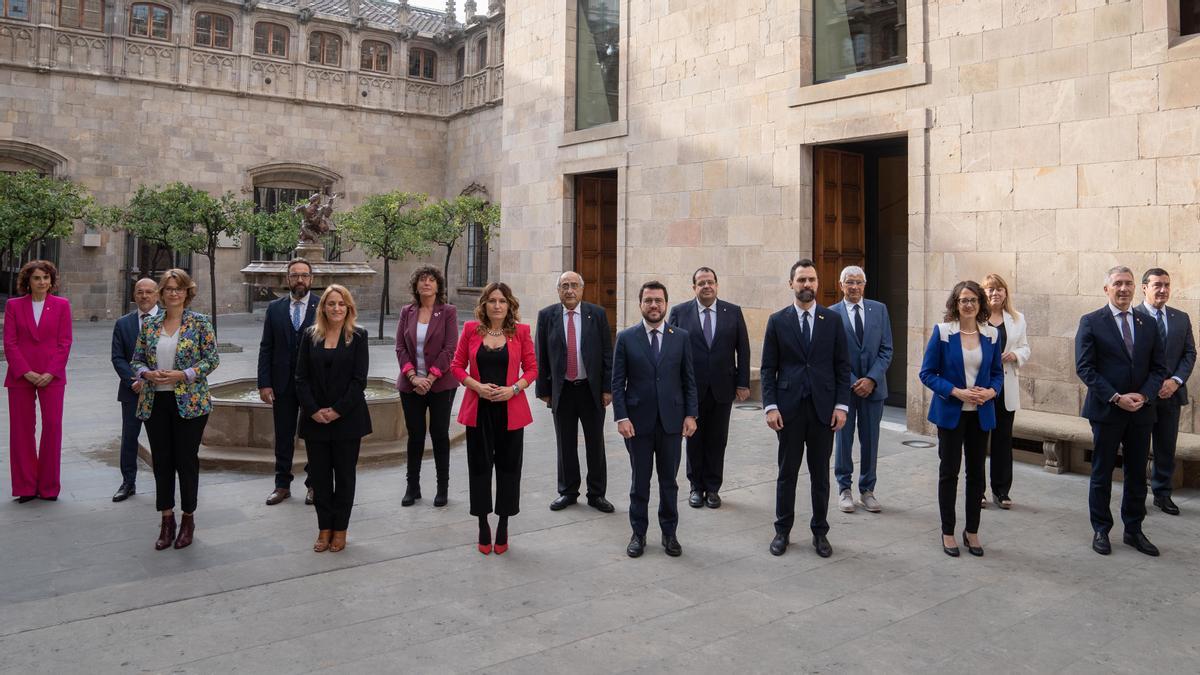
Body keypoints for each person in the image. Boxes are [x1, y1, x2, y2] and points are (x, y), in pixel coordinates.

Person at [1076, 266, 1169, 557]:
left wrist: (1143, 395)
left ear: (1135, 288)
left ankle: (1134, 529)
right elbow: (1085, 368)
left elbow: (1159, 368)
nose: (1124, 288)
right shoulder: (1091, 321)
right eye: (1118, 283)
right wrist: (1116, 397)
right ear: (1107, 289)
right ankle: (1101, 529)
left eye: (1128, 283)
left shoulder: (1147, 323)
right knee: (1102, 472)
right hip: (1107, 411)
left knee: (1136, 473)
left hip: (1141, 411)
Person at [762, 260, 851, 558]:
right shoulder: (777, 321)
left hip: (823, 411)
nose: (807, 285)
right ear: (791, 284)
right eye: (801, 280)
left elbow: (842, 366)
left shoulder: (833, 320)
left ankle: (820, 532)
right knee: (787, 473)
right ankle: (782, 531)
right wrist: (770, 407)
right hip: (788, 411)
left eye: (811, 280)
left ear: (817, 283)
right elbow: (768, 368)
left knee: (819, 476)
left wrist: (841, 406)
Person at [131, 269, 219, 550]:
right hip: (156, 401)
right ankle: (166, 520)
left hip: (190, 403)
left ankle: (188, 519)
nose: (173, 293)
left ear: (187, 292)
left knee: (186, 460)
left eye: (178, 288)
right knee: (163, 462)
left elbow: (212, 360)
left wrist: (185, 374)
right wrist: (147, 374)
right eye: (168, 288)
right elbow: (136, 360)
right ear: (162, 292)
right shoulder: (150, 324)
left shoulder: (200, 323)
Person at [451, 282, 538, 555]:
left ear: (509, 305)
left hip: (510, 411)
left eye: (502, 301)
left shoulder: (521, 332)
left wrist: (513, 389)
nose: (497, 305)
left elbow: (532, 369)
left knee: (509, 469)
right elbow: (456, 366)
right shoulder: (470, 330)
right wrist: (476, 386)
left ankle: (503, 524)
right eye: (492, 301)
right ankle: (482, 524)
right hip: (479, 411)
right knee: (479, 468)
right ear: (484, 305)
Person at [613, 281, 698, 558]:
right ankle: (638, 533)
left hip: (672, 422)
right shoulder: (626, 338)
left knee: (669, 482)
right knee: (640, 481)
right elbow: (617, 383)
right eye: (648, 300)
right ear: (640, 304)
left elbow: (689, 380)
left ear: (666, 304)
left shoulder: (681, 337)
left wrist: (690, 414)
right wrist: (621, 417)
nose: (653, 305)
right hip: (637, 423)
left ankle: (669, 533)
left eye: (658, 301)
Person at [919, 280, 1004, 558]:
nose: (968, 305)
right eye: (963, 300)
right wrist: (956, 391)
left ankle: (972, 531)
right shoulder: (943, 332)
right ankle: (947, 531)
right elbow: (927, 373)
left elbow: (997, 373)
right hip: (951, 415)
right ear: (955, 304)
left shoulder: (991, 334)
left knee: (977, 475)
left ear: (981, 304)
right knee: (949, 472)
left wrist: (991, 391)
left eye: (973, 300)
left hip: (981, 415)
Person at [296, 285, 371, 553]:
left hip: (347, 420)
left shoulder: (358, 336)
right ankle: (323, 528)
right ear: (323, 308)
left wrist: (337, 410)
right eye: (331, 304)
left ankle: (340, 529)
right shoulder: (310, 336)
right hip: (315, 420)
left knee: (345, 477)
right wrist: (314, 409)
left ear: (348, 308)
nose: (336, 308)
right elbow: (300, 377)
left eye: (341, 304)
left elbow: (359, 381)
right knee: (320, 478)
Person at [668, 266, 750, 510]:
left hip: (723, 388)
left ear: (716, 284)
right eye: (701, 283)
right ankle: (695, 487)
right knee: (693, 438)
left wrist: (743, 382)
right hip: (691, 389)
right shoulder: (680, 312)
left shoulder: (732, 312)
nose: (706, 286)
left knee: (717, 439)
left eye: (710, 282)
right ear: (694, 287)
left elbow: (743, 350)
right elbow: (671, 352)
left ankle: (713, 488)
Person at [536, 271, 614, 513]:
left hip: (591, 391)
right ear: (558, 290)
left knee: (595, 444)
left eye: (574, 286)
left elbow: (606, 354)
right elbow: (541, 356)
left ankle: (597, 494)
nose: (569, 290)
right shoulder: (547, 316)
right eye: (564, 286)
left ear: (582, 289)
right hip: (563, 391)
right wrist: (544, 390)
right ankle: (568, 491)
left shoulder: (597, 314)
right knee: (565, 443)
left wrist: (607, 388)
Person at [4, 260, 73, 503]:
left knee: (52, 428)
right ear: (28, 281)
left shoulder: (62, 305)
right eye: (37, 278)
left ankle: (48, 487)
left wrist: (51, 372)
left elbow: (65, 342)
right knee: (21, 431)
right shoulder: (14, 305)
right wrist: (25, 372)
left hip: (52, 376)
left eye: (46, 278)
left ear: (51, 281)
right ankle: (25, 486)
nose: (42, 282)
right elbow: (10, 343)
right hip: (20, 376)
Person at [828, 265, 892, 514]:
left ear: (864, 285)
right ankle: (844, 489)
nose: (854, 287)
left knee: (870, 440)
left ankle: (867, 490)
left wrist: (871, 379)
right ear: (841, 285)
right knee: (843, 440)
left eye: (858, 282)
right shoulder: (831, 314)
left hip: (874, 389)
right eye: (849, 282)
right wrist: (855, 381)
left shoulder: (880, 309)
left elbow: (886, 349)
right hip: (845, 389)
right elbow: (832, 354)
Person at [396, 265, 459, 507]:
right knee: (415, 436)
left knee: (440, 434)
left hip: (441, 384)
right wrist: (413, 378)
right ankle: (413, 487)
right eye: (422, 280)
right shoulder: (407, 311)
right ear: (416, 285)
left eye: (431, 280)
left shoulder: (448, 312)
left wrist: (430, 378)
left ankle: (442, 488)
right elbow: (400, 348)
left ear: (438, 285)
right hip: (411, 384)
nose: (427, 283)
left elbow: (450, 348)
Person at [1134, 268, 1195, 516]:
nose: (1163, 290)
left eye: (1167, 285)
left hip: (1172, 394)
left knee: (1166, 448)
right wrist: (1150, 386)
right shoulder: (1131, 316)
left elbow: (1189, 353)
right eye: (1157, 285)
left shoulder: (1180, 318)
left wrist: (1176, 381)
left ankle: (1162, 494)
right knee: (1137, 448)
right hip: (1142, 396)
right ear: (1144, 288)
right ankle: (1136, 497)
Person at [258, 258, 319, 506]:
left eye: (304, 275)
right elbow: (266, 347)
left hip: (313, 385)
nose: (300, 279)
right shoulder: (275, 308)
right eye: (295, 275)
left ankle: (314, 484)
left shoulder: (322, 305)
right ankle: (282, 484)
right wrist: (264, 383)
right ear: (288, 279)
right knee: (283, 435)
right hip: (282, 384)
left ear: (312, 279)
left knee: (314, 435)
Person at [981, 273, 1030, 510]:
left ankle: (1001, 491)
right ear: (983, 292)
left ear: (1006, 292)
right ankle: (978, 491)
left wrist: (1015, 355)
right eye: (990, 289)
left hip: (1005, 386)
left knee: (1002, 441)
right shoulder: (976, 318)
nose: (995, 293)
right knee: (978, 441)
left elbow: (1025, 348)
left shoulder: (1017, 319)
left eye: (999, 289)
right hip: (981, 387)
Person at [110, 278, 160, 502]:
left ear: (157, 295)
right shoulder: (123, 323)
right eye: (140, 292)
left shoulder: (169, 320)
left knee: (161, 440)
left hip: (161, 391)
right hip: (132, 391)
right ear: (134, 295)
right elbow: (118, 357)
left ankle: (164, 482)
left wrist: (152, 380)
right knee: (130, 438)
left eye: (149, 292)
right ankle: (128, 483)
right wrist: (133, 380)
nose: (144, 296)